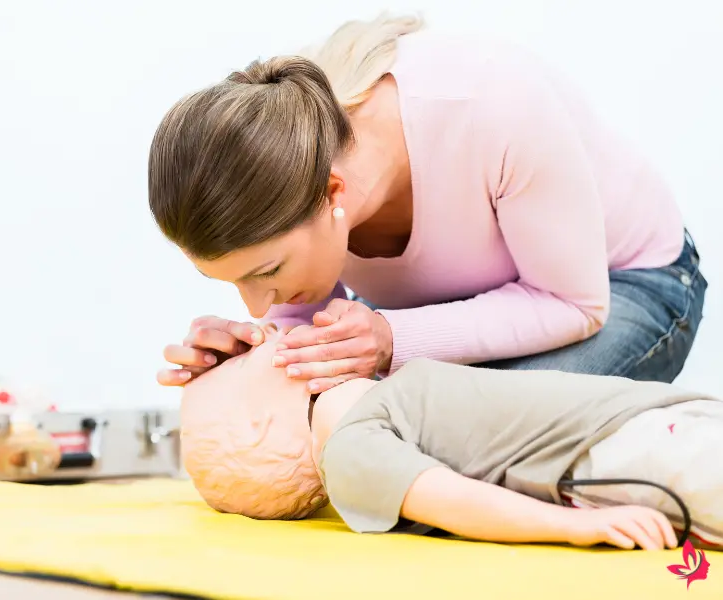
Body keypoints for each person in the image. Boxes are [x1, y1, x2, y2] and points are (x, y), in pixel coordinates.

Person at [149, 13, 708, 395]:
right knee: (390, 438)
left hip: (626, 285)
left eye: (266, 272)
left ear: (333, 194)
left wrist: (392, 340)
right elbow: (297, 323)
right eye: (233, 282)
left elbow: (576, 305)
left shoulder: (491, 105)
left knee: (466, 441)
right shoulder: (291, 146)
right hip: (463, 313)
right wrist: (254, 357)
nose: (254, 304)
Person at [179, 324, 723, 551]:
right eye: (252, 356)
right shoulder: (348, 450)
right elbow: (453, 500)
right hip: (617, 451)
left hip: (639, 417)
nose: (270, 330)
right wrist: (574, 526)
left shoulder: (368, 404)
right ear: (260, 427)